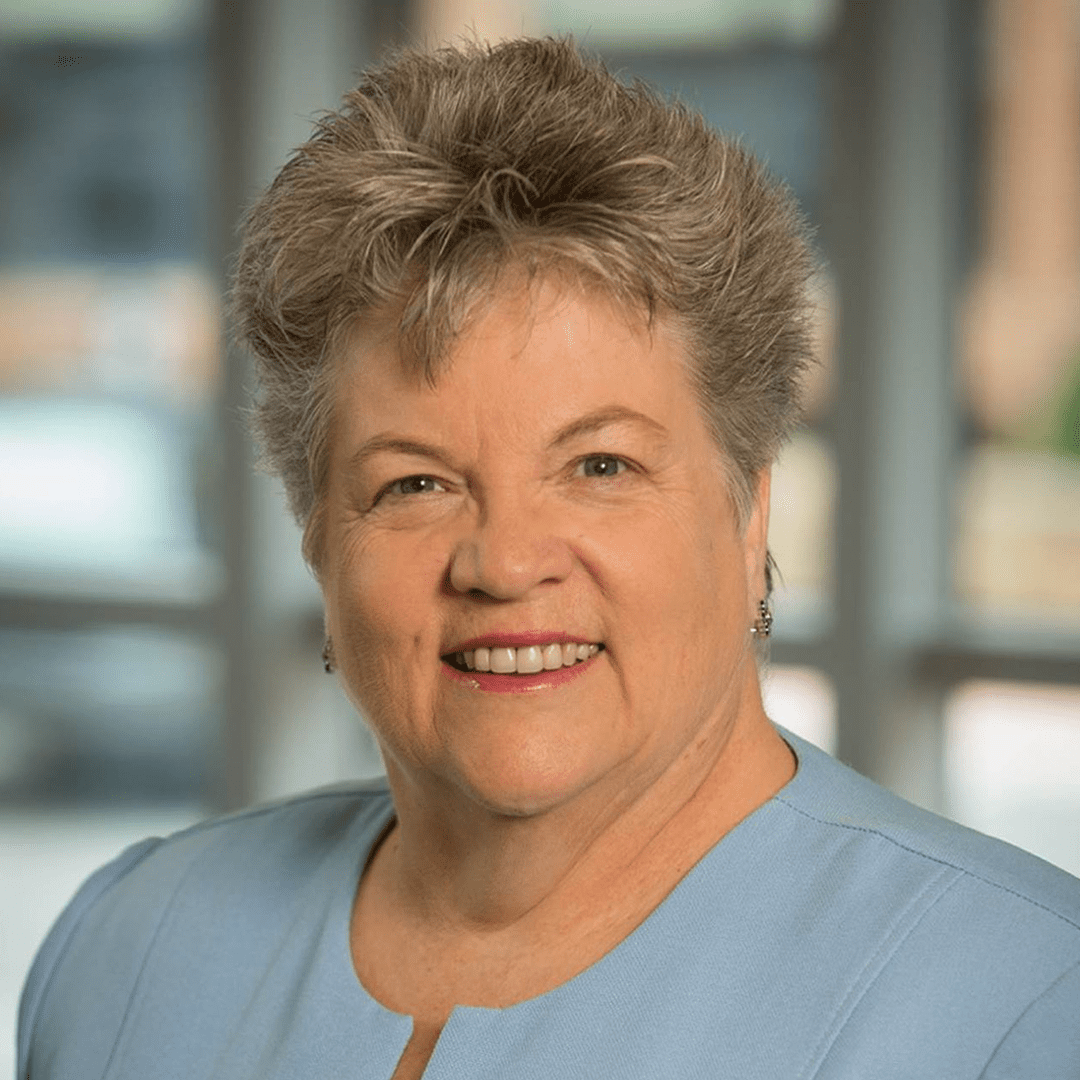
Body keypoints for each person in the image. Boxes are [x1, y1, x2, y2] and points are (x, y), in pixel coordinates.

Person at [18, 36, 1080, 1080]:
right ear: (316, 539)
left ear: (748, 512)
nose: (505, 562)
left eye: (601, 466)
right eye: (415, 483)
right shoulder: (127, 950)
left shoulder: (1018, 1000)